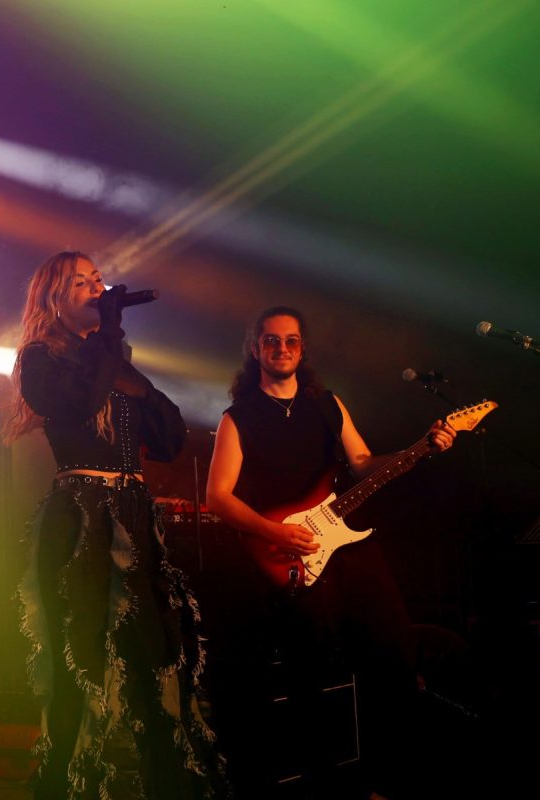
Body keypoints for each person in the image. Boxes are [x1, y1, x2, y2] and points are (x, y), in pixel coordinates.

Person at [202, 306, 456, 799]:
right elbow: (218, 498)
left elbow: (363, 463)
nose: (282, 349)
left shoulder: (327, 405)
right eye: (271, 340)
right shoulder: (239, 418)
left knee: (395, 651)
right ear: (255, 349)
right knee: (311, 674)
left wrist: (420, 448)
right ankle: (326, 786)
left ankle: (388, 780)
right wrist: (275, 533)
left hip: (346, 545)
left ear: (303, 349)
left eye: (291, 341)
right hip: (290, 557)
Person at [5, 251, 227, 800]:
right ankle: (69, 786)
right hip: (81, 520)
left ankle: (165, 783)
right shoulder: (41, 359)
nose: (96, 289)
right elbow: (82, 403)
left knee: (154, 654)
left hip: (133, 517)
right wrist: (109, 339)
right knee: (80, 655)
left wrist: (140, 386)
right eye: (81, 282)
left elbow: (171, 440)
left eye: (98, 280)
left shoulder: (112, 363)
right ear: (54, 298)